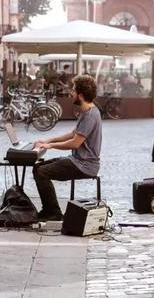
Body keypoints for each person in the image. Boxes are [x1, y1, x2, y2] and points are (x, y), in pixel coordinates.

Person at [33, 75, 102, 221]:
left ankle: (53, 212)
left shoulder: (90, 116)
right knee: (37, 168)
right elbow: (73, 134)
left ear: (81, 95)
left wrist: (50, 146)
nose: (71, 93)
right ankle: (49, 210)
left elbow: (75, 143)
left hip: (84, 165)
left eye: (74, 91)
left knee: (41, 172)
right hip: (78, 160)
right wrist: (47, 140)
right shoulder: (88, 111)